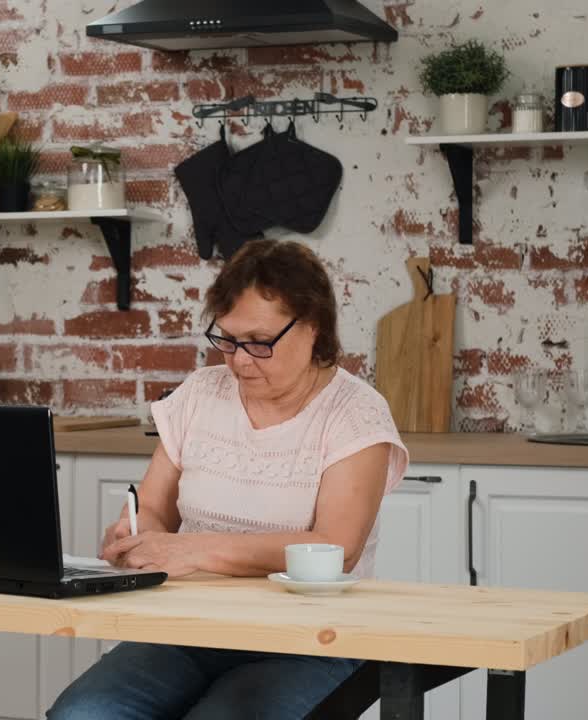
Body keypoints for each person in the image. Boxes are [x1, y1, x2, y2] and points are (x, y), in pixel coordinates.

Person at [47, 239, 409, 719]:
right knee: (82, 715)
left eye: (259, 342)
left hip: (308, 640)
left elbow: (336, 546)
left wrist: (192, 550)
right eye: (228, 340)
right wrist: (135, 531)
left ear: (313, 326)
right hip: (191, 629)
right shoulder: (201, 393)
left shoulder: (356, 413)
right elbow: (153, 505)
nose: (239, 361)